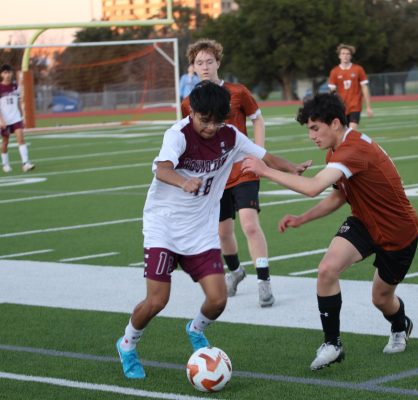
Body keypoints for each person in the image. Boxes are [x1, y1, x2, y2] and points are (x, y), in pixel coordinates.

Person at [116, 81, 310, 379]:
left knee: (218, 299)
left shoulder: (230, 135)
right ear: (192, 111)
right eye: (204, 120)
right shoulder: (178, 134)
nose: (209, 127)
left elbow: (264, 157)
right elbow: (162, 168)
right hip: (163, 226)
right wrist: (183, 182)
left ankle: (195, 330)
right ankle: (128, 343)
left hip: (200, 229)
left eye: (216, 121)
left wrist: (291, 167)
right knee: (158, 300)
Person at [241, 93, 418, 371]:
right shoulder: (337, 150)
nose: (311, 135)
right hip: (363, 221)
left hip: (397, 230)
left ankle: (400, 324)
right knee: (326, 269)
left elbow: (313, 187)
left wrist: (265, 171)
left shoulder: (353, 149)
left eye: (315, 128)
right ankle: (332, 344)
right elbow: (339, 196)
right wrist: (303, 218)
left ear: (335, 123)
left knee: (381, 298)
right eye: (309, 129)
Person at [181, 39, 274, 307]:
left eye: (210, 61)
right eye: (200, 62)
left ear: (218, 63)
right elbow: (190, 137)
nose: (205, 67)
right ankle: (235, 271)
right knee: (222, 233)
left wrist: (257, 151)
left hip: (244, 168)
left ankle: (264, 282)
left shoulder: (237, 91)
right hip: (215, 175)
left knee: (249, 224)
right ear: (193, 67)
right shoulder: (190, 102)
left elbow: (258, 119)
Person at [327, 44, 373, 130]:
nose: (345, 56)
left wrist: (368, 107)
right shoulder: (334, 71)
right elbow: (332, 92)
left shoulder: (358, 69)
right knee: (343, 133)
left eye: (348, 54)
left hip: (355, 106)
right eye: (343, 53)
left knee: (351, 131)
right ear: (339, 56)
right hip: (341, 107)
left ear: (351, 56)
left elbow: (364, 87)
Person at [0, 64, 35, 173]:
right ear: (1, 74)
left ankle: (25, 163)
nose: (7, 75)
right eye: (5, 72)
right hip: (5, 120)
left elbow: (18, 102)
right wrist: (1, 120)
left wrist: (21, 117)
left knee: (21, 139)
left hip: (16, 118)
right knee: (5, 142)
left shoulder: (16, 86)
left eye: (9, 72)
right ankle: (5, 163)